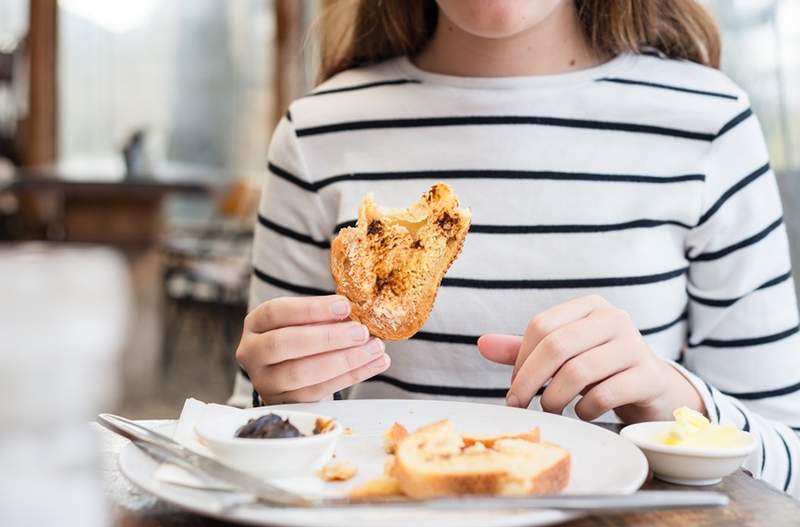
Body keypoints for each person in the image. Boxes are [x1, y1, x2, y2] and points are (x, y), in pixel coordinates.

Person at [233, 0, 799, 496]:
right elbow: (240, 448)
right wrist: (277, 402)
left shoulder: (708, 125)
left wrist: (674, 403)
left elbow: (789, 465)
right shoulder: (316, 134)